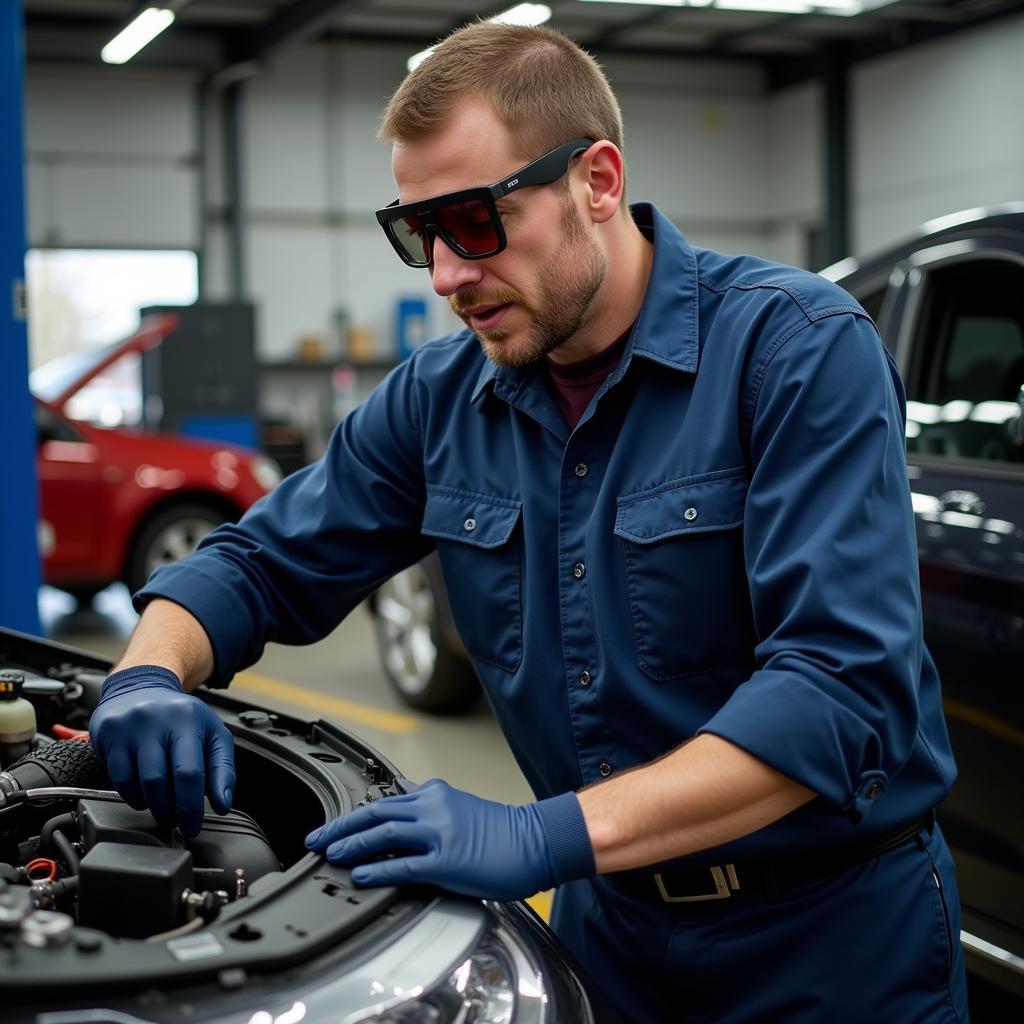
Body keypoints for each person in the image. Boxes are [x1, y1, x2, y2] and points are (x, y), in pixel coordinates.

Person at [89, 21, 968, 1024]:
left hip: (828, 943)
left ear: (595, 181)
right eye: (420, 233)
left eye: (472, 222)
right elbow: (255, 562)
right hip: (607, 936)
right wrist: (147, 671)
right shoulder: (439, 398)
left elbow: (835, 695)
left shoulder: (797, 351)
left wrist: (540, 835)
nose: (445, 277)